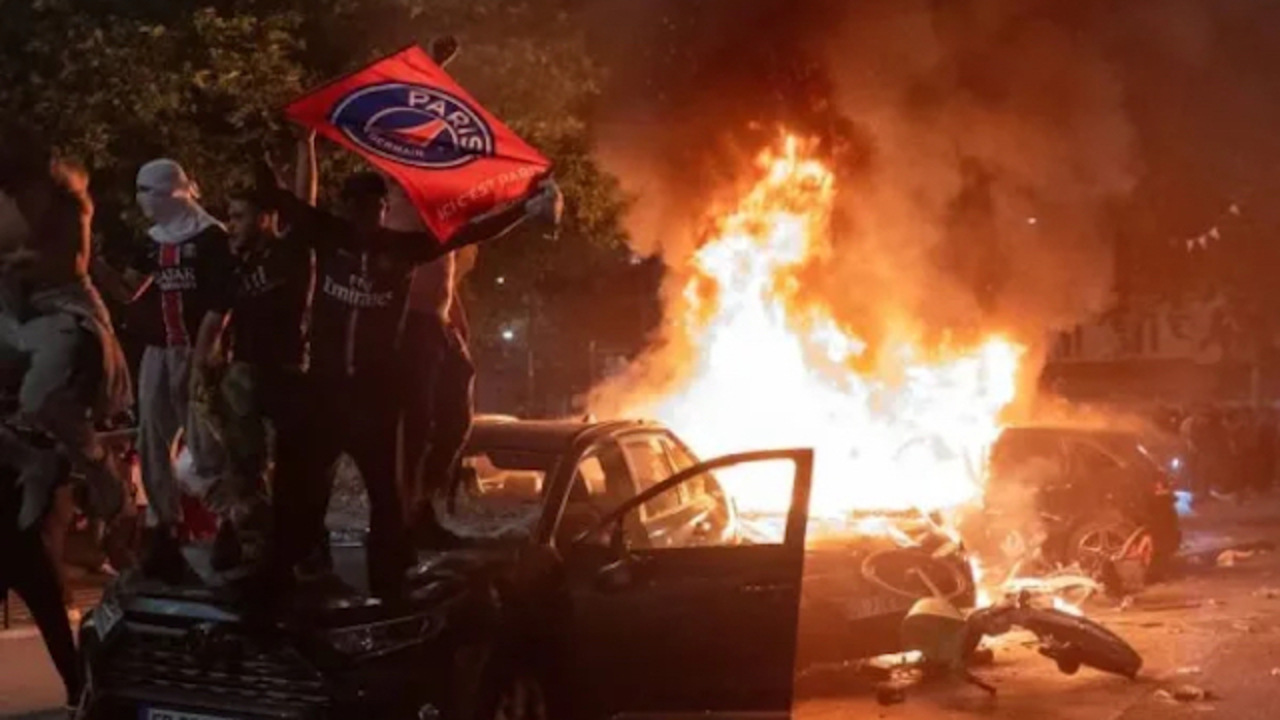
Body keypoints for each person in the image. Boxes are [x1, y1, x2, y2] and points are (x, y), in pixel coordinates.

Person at [256, 133, 561, 599]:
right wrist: (279, 153)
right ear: (346, 209)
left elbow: (471, 232)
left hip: (375, 397)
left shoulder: (405, 248)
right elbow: (285, 200)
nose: (370, 218)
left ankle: (390, 588)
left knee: (389, 497)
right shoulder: (327, 234)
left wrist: (523, 207)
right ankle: (281, 578)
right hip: (324, 389)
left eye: (376, 209)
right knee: (297, 489)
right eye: (361, 208)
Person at [94, 159, 235, 582]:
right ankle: (164, 528)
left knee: (205, 441)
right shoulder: (152, 242)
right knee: (152, 439)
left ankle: (229, 525)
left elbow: (221, 303)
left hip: (198, 350)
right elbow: (129, 290)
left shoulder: (211, 238)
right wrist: (93, 262)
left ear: (175, 192)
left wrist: (207, 356)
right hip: (160, 350)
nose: (143, 202)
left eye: (150, 191)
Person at [0, 127, 130, 531]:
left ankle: (103, 482)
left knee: (53, 406)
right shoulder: (14, 205)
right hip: (21, 310)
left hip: (64, 308)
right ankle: (37, 462)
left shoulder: (69, 206)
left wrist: (19, 264)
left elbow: (71, 265)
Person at [191, 186, 314, 574]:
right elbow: (215, 317)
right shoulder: (234, 266)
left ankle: (303, 547)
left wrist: (304, 146)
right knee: (244, 464)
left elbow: (303, 200)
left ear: (266, 217)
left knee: (297, 466)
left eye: (240, 216)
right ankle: (248, 541)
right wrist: (199, 369)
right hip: (244, 372)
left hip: (290, 372)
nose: (231, 225)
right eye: (230, 216)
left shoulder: (289, 252)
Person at [385, 181, 476, 547]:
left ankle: (421, 501)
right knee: (416, 426)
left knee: (457, 418)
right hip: (412, 325)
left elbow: (446, 273)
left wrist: (457, 319)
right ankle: (407, 517)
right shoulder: (395, 205)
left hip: (440, 324)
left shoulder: (440, 205)